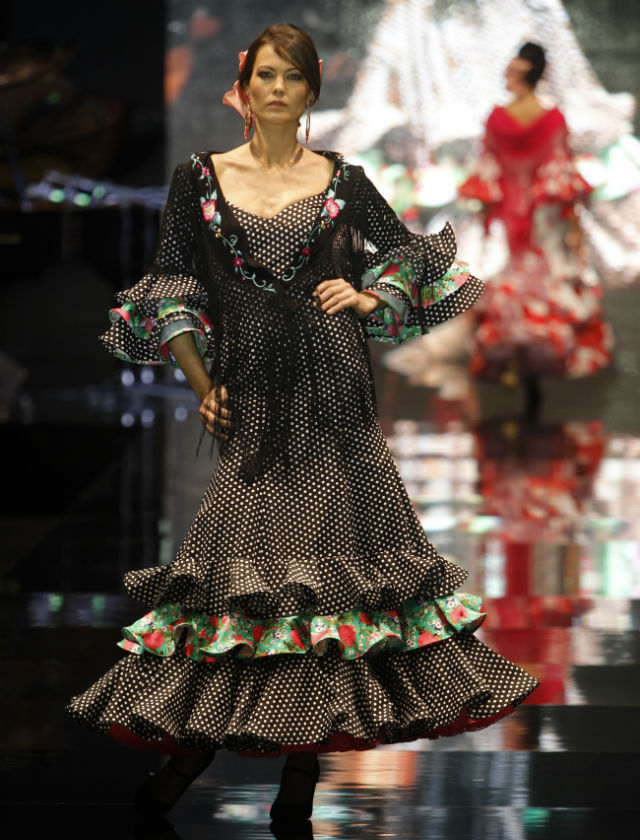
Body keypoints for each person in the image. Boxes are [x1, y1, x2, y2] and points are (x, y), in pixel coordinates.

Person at [66, 23, 538, 825]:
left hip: (337, 393)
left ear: (312, 90)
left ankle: (292, 773)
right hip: (250, 398)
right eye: (266, 75)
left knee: (327, 580)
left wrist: (368, 295)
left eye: (292, 77)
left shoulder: (344, 180)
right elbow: (172, 283)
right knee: (244, 575)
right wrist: (202, 382)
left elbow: (413, 258)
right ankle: (199, 752)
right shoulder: (199, 178)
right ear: (244, 87)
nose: (278, 89)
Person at [459, 42, 614, 418]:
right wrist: (573, 227)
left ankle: (516, 367)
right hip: (542, 219)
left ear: (521, 72)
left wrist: (486, 220)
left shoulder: (497, 119)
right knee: (545, 288)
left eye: (511, 70)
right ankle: (536, 370)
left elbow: (487, 176)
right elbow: (562, 179)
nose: (506, 76)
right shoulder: (553, 120)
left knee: (512, 287)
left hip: (510, 218)